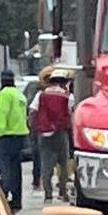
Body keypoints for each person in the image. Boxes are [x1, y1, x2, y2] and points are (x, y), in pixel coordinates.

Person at [0, 70, 30, 211]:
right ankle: (17, 199)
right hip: (19, 137)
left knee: (5, 168)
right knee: (16, 170)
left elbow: (2, 114)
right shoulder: (19, 94)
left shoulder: (4, 94)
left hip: (6, 137)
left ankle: (4, 196)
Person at [33, 71, 74, 203]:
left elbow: (33, 111)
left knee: (46, 164)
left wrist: (34, 127)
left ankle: (48, 193)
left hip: (44, 133)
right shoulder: (68, 96)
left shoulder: (41, 95)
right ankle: (63, 191)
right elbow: (71, 113)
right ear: (63, 82)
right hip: (61, 133)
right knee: (63, 163)